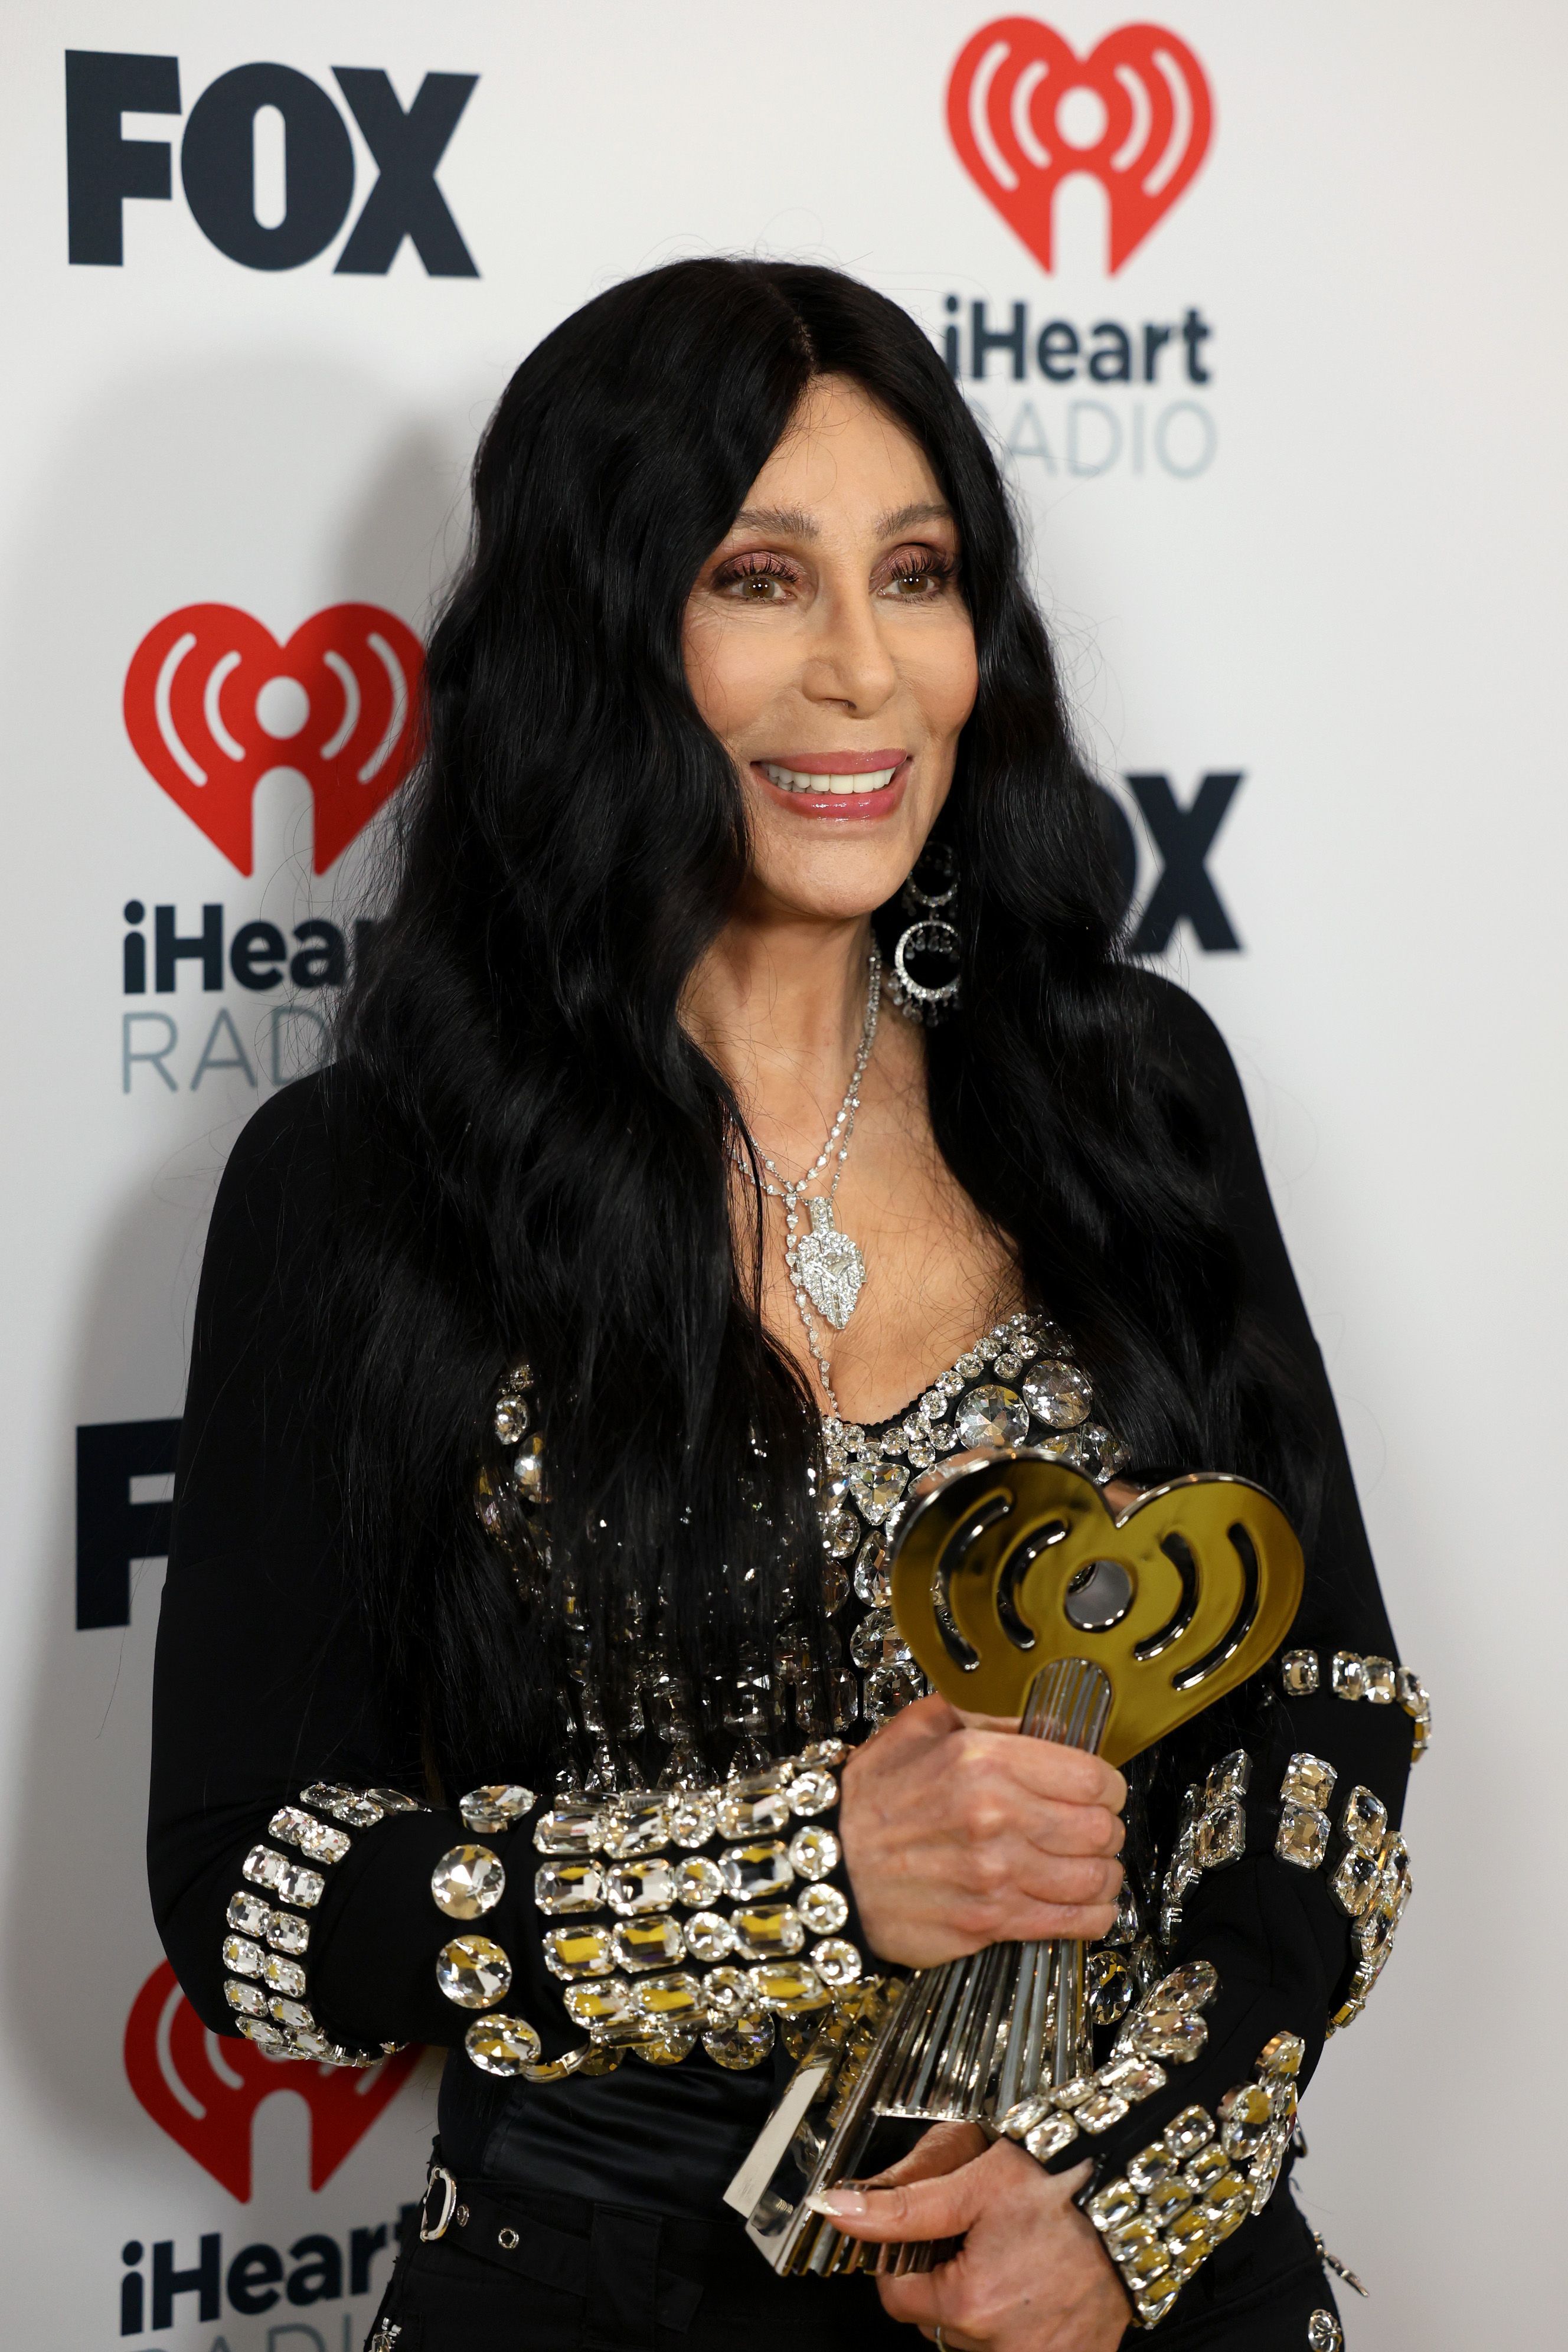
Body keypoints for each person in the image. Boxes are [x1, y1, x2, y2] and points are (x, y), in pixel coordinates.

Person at [148, 259, 1425, 2351]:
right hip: (597, 2293)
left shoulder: (1129, 1090)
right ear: (598, 637)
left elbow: (1332, 1714)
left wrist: (1133, 2186)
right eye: (761, 578)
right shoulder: (364, 1180)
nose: (866, 670)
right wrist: (818, 1869)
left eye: (916, 576)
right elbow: (254, 1899)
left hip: (1133, 2286)